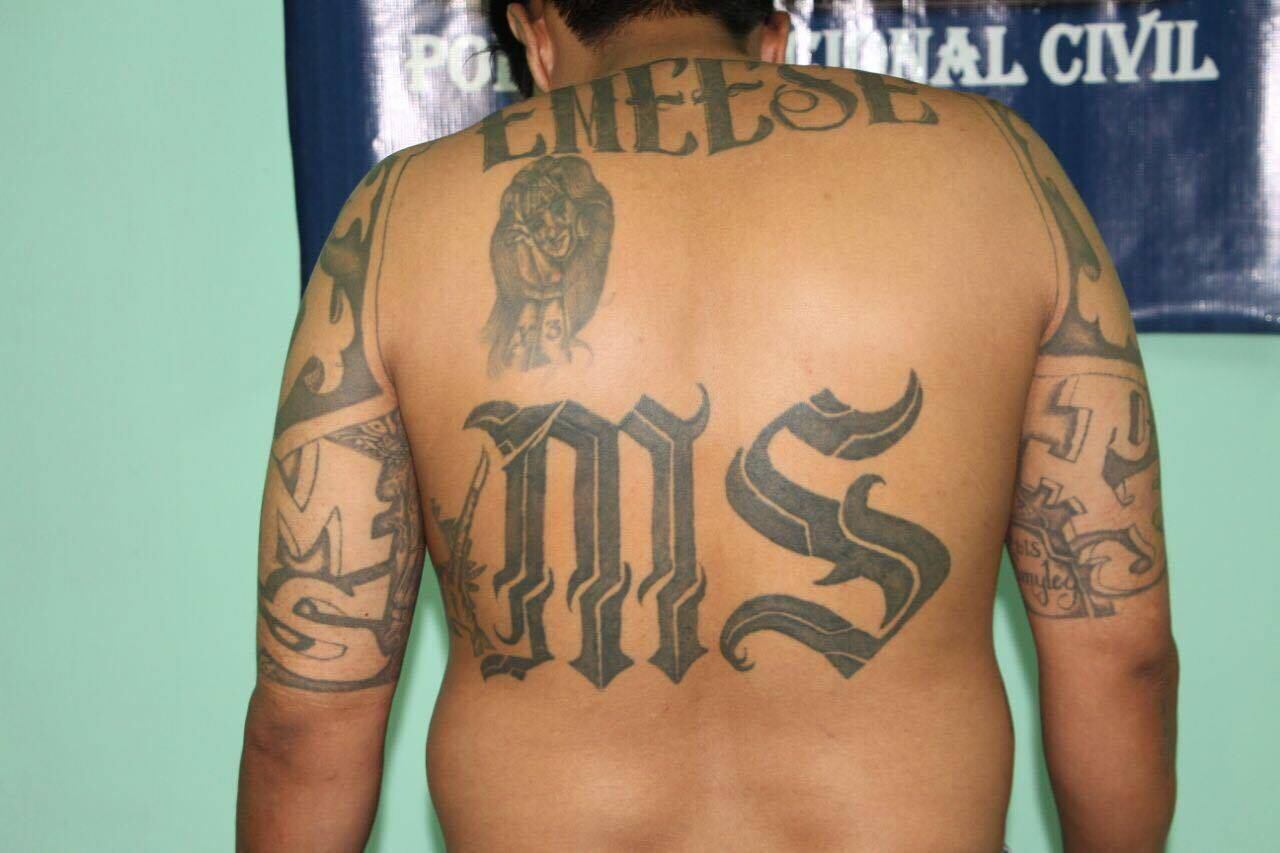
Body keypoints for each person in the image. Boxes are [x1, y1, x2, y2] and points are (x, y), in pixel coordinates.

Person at [236, 2, 1178, 850]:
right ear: (772, 37)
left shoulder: (396, 222)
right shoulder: (1001, 173)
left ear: (534, 33)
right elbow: (1120, 656)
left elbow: (308, 720)